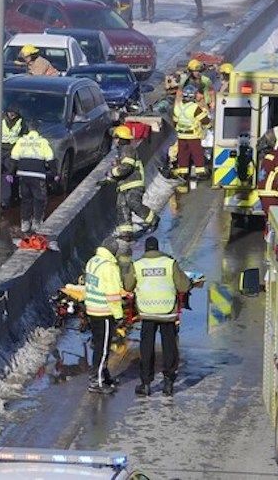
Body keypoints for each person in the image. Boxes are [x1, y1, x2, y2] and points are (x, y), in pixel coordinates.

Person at [122, 236, 191, 397]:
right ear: (158, 248)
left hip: (147, 312)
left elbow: (127, 286)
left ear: (146, 250)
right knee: (169, 345)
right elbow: (184, 286)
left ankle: (146, 384)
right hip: (167, 312)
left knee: (146, 347)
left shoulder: (138, 265)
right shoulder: (169, 263)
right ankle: (168, 383)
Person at [84, 240, 127, 394]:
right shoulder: (110, 267)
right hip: (104, 311)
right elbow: (113, 295)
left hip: (92, 308)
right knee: (103, 349)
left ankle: (104, 374)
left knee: (99, 345)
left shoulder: (92, 261)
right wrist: (119, 315)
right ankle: (97, 382)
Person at [103, 125, 159, 238]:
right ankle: (126, 232)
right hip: (124, 186)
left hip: (134, 184)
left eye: (116, 138)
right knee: (122, 207)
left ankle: (153, 219)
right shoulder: (121, 152)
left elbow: (126, 167)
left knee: (133, 203)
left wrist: (112, 173)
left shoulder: (128, 150)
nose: (114, 141)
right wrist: (108, 180)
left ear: (120, 139)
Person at [11, 121, 55, 233]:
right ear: (38, 130)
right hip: (38, 175)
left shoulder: (21, 141)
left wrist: (11, 173)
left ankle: (25, 223)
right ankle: (36, 222)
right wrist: (54, 173)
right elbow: (50, 158)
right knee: (39, 199)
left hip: (23, 175)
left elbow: (14, 158)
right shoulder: (43, 142)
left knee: (26, 199)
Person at [173, 86, 211, 182]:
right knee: (197, 153)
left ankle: (183, 172)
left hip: (181, 136)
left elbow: (175, 121)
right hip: (193, 135)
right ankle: (200, 172)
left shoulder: (177, 107)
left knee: (183, 154)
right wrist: (210, 125)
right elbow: (205, 120)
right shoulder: (195, 108)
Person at [0, 107, 26, 208]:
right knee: (4, 175)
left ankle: (7, 200)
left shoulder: (21, 121)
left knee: (9, 175)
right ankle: (5, 198)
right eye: (10, 113)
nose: (12, 115)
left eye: (14, 113)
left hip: (13, 151)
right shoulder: (1, 119)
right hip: (0, 149)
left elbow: (24, 135)